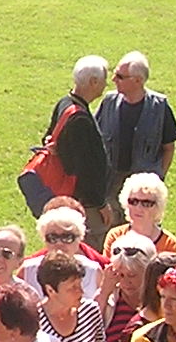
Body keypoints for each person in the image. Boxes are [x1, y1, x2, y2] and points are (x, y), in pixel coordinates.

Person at [21, 57, 110, 226]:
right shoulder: (80, 120)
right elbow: (83, 168)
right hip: (82, 203)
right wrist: (101, 203)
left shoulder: (65, 103)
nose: (105, 85)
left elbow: (49, 137)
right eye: (103, 81)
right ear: (93, 82)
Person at [94, 53, 176, 183]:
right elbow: (93, 139)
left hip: (143, 185)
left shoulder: (160, 107)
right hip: (110, 183)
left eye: (120, 76)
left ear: (138, 80)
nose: (113, 79)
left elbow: (168, 147)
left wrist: (159, 176)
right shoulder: (108, 102)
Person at [104, 174, 176, 255]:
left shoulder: (168, 243)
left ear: (158, 206)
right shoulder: (115, 236)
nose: (138, 208)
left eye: (146, 203)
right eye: (133, 201)